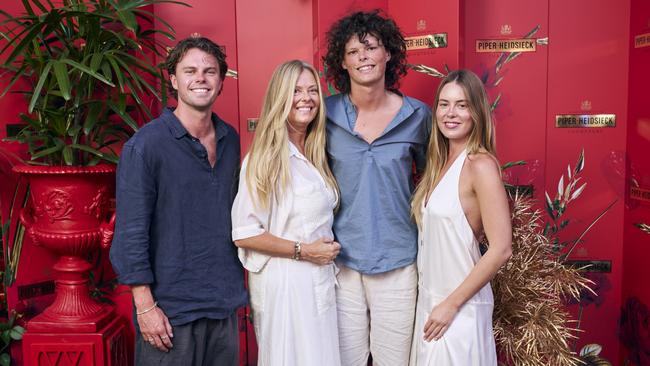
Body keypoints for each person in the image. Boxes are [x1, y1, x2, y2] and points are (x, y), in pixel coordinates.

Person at [109, 36, 247, 366]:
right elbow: (130, 235)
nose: (200, 78)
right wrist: (145, 307)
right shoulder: (145, 146)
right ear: (174, 80)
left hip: (223, 306)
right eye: (190, 70)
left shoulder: (230, 139)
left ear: (220, 81)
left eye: (210, 71)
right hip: (169, 313)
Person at [323, 10, 431, 366]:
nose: (363, 57)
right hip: (341, 261)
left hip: (398, 260)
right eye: (353, 52)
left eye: (371, 48)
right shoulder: (325, 115)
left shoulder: (418, 116)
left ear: (389, 54)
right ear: (343, 61)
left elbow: (437, 183)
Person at [231, 60, 342, 366]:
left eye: (311, 90)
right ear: (280, 97)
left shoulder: (316, 152)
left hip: (317, 279)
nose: (305, 98)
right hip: (286, 286)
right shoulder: (264, 159)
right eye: (295, 90)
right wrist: (305, 251)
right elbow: (244, 233)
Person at [409, 69, 512, 365]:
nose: (450, 113)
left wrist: (450, 305)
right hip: (431, 304)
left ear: (476, 112)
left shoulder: (480, 165)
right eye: (444, 104)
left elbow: (501, 248)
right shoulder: (439, 163)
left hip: (458, 309)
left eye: (462, 105)